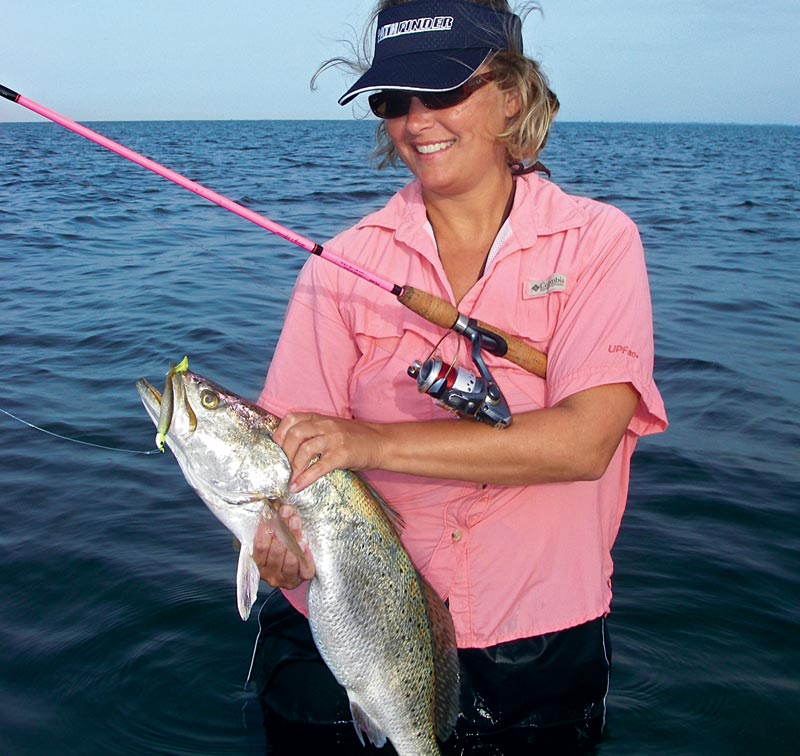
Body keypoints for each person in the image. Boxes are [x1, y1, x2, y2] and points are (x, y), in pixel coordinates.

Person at [249, 1, 668, 753]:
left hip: (532, 641)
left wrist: (365, 442)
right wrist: (271, 531)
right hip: (343, 633)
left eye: (442, 92)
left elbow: (581, 445)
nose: (415, 123)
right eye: (391, 101)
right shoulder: (343, 264)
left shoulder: (598, 243)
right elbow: (286, 454)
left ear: (512, 94)